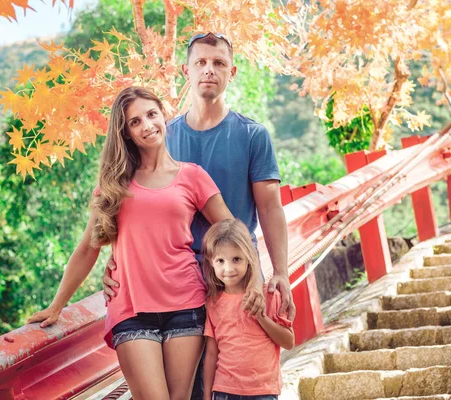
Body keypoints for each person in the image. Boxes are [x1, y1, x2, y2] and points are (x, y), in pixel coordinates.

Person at [27, 86, 236, 400]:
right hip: (131, 309)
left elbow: (231, 233)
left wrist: (231, 284)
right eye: (135, 122)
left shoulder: (192, 176)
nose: (147, 125)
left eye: (151, 114)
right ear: (125, 133)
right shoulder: (114, 184)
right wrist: (57, 305)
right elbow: (88, 247)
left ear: (163, 114)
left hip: (186, 303)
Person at [103, 32, 295, 318]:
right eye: (201, 62)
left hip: (236, 274)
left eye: (219, 63)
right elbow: (137, 203)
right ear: (186, 71)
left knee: (239, 361)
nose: (209, 69)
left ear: (232, 72)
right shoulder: (161, 136)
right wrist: (115, 258)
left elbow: (269, 208)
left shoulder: (252, 135)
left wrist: (281, 273)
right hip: (175, 277)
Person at [202, 219, 295, 400]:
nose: (228, 269)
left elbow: (288, 342)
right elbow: (212, 354)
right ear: (211, 262)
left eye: (236, 259)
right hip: (225, 390)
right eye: (220, 260)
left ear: (249, 258)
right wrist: (207, 396)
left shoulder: (269, 295)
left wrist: (261, 317)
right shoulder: (213, 302)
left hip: (263, 390)